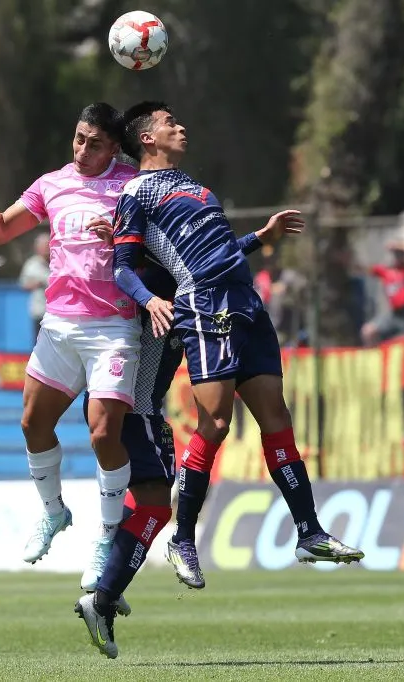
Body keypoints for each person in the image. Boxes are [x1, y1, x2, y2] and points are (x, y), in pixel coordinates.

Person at [109, 101, 364, 591]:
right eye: (169, 123)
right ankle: (182, 537)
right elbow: (122, 265)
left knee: (277, 418)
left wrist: (260, 238)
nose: (180, 126)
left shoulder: (196, 187)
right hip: (204, 306)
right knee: (217, 423)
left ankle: (309, 532)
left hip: (246, 301)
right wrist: (151, 300)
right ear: (147, 138)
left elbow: (219, 252)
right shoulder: (136, 193)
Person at [0, 103, 142, 592]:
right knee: (32, 423)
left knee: (103, 434)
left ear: (114, 148)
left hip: (113, 327)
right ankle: (54, 511)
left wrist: (123, 237)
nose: (81, 150)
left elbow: (160, 245)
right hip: (59, 326)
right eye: (78, 138)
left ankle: (105, 537)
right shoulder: (52, 183)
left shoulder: (135, 184)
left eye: (94, 143)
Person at [74, 219, 273, 659]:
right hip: (135, 408)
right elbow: (210, 263)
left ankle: (109, 578)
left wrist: (260, 238)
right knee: (156, 505)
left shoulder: (162, 277)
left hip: (134, 405)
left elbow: (212, 260)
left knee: (147, 501)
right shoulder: (163, 282)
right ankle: (103, 596)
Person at [19, 234, 51, 343]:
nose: (47, 249)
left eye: (48, 245)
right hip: (40, 311)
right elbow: (23, 284)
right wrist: (36, 284)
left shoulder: (58, 262)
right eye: (44, 246)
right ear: (37, 248)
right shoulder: (32, 264)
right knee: (40, 343)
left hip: (58, 313)